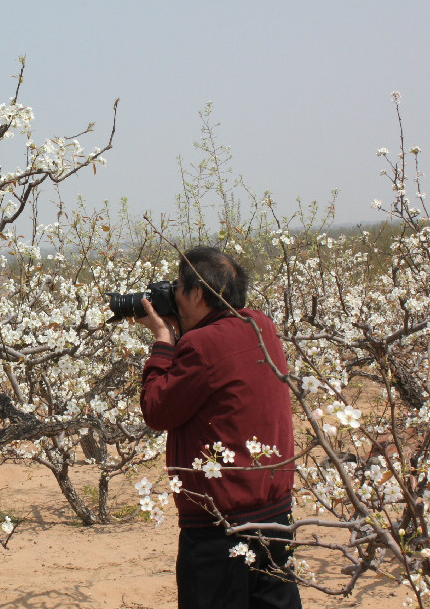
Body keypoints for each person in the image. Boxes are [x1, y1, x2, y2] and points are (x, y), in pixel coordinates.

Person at [136, 246, 301, 609]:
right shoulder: (262, 326)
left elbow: (156, 409)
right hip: (275, 514)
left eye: (178, 287)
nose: (173, 294)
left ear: (197, 294)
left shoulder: (200, 344)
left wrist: (164, 341)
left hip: (219, 525)